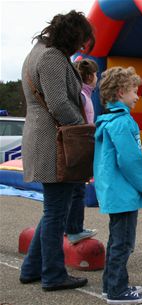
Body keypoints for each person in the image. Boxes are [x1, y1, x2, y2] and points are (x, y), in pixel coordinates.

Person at [19, 11, 95, 291]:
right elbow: (59, 104)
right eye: (82, 42)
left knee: (54, 209)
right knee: (55, 213)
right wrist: (84, 130)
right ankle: (52, 274)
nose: (82, 48)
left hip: (46, 138)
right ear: (72, 36)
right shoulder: (51, 57)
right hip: (54, 143)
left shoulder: (38, 51)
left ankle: (31, 268)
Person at [95, 66, 142, 304]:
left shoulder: (109, 120)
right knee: (124, 242)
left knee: (117, 240)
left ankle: (111, 285)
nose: (137, 95)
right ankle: (118, 291)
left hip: (115, 191)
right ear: (120, 92)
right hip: (123, 192)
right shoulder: (121, 122)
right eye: (133, 90)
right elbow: (130, 160)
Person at [64, 59, 99, 244]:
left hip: (78, 146)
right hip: (79, 147)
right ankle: (74, 229)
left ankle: (69, 227)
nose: (97, 78)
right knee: (77, 191)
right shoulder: (83, 96)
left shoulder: (83, 95)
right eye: (96, 75)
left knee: (74, 191)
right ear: (89, 76)